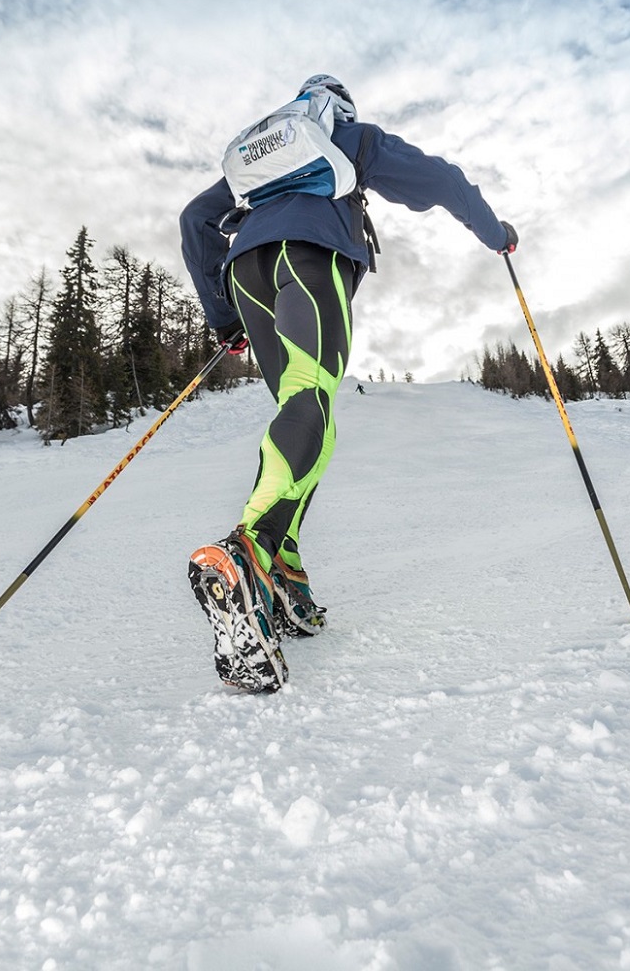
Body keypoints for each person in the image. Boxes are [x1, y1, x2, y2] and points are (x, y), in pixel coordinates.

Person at [181, 74, 517, 693]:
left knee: (306, 408)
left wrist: (224, 317)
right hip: (311, 255)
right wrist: (498, 235)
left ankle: (282, 562)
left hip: (247, 271)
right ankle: (250, 550)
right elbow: (442, 180)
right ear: (338, 109)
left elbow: (195, 220)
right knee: (312, 393)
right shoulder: (348, 139)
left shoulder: (256, 163)